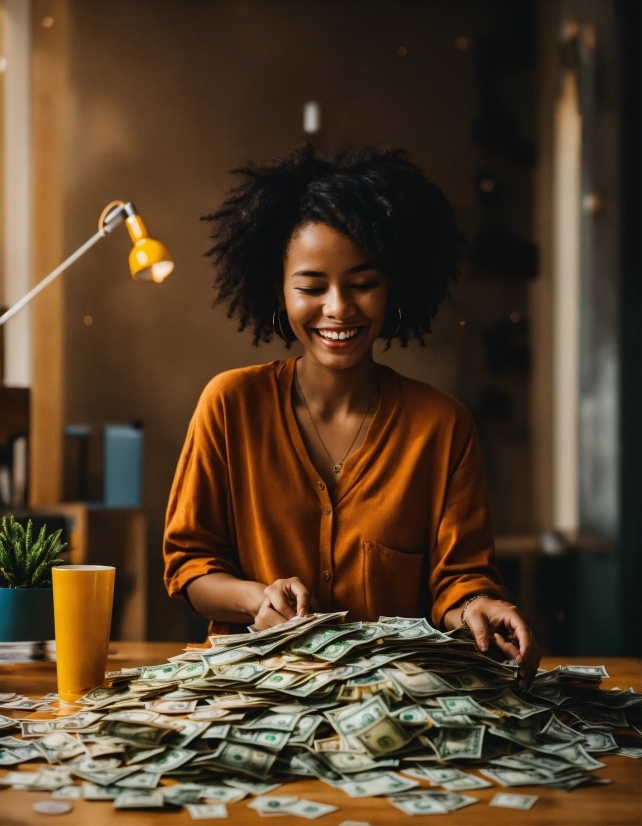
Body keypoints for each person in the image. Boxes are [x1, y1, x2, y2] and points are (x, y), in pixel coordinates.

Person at [163, 145, 540, 683]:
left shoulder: (442, 426)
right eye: (311, 287)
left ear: (395, 288)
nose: (337, 307)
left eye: (363, 283)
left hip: (395, 701)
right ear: (279, 291)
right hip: (253, 691)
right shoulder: (229, 405)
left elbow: (459, 582)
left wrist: (477, 606)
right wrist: (255, 599)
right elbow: (189, 565)